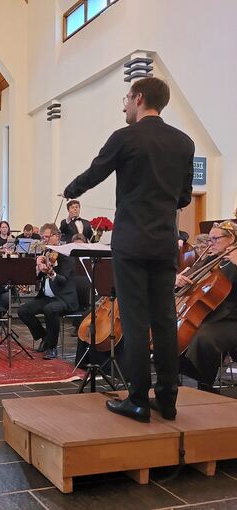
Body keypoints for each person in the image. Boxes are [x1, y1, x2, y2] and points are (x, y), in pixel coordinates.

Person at [63, 77, 194, 422]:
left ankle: (137, 399)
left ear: (138, 98)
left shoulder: (125, 137)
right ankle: (167, 399)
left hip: (132, 242)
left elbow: (95, 173)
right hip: (165, 242)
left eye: (126, 99)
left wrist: (69, 190)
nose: (124, 106)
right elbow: (183, 196)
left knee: (135, 320)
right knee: (165, 319)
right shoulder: (184, 142)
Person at [178, 221, 237, 392]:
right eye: (209, 240)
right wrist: (179, 280)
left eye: (215, 239)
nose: (210, 244)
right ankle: (179, 382)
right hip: (211, 315)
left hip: (231, 319)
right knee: (180, 333)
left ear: (231, 238)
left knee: (204, 337)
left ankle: (203, 386)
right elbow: (190, 277)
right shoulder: (212, 259)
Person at [17, 223, 78, 360]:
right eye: (43, 237)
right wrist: (38, 268)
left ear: (56, 236)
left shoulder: (66, 255)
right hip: (46, 297)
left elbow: (63, 281)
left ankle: (52, 347)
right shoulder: (46, 252)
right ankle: (45, 337)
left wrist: (51, 272)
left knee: (50, 309)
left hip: (63, 297)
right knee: (23, 311)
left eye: (47, 237)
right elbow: (37, 278)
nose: (44, 240)